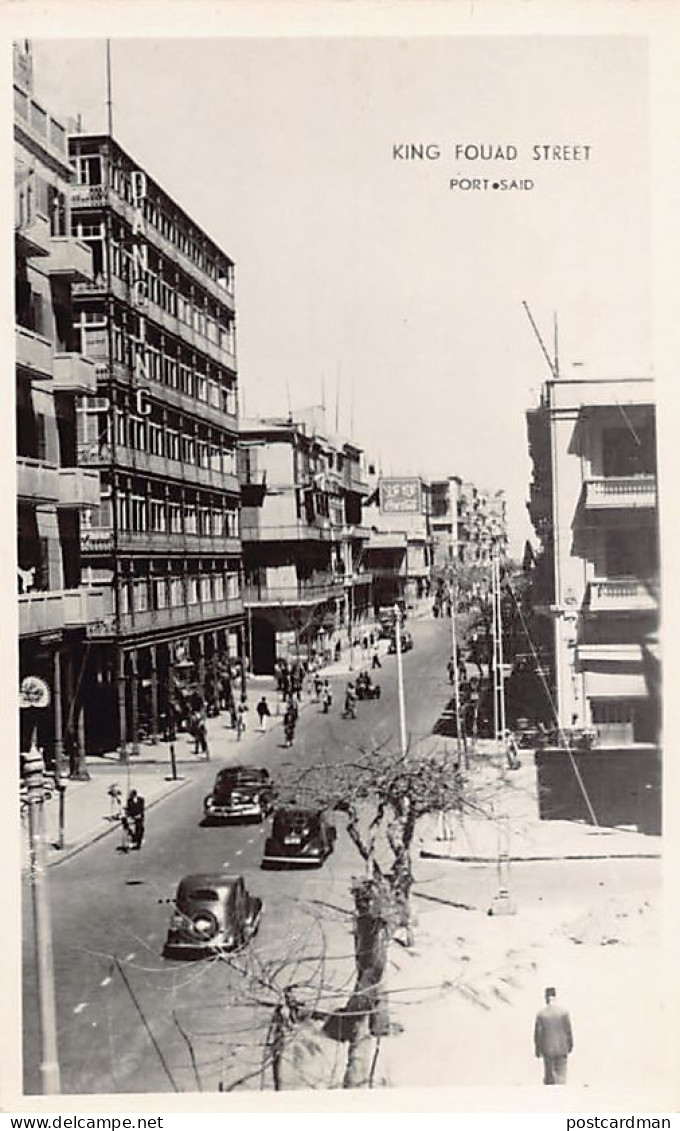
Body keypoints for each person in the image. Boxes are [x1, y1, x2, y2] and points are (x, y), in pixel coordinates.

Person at [534, 987, 574, 1085]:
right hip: (562, 1048)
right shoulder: (564, 1013)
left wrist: (538, 1049)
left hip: (547, 1049)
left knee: (549, 1078)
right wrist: (570, 1045)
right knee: (561, 1076)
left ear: (546, 998)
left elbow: (538, 1034)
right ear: (555, 997)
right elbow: (568, 1031)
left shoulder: (541, 1014)